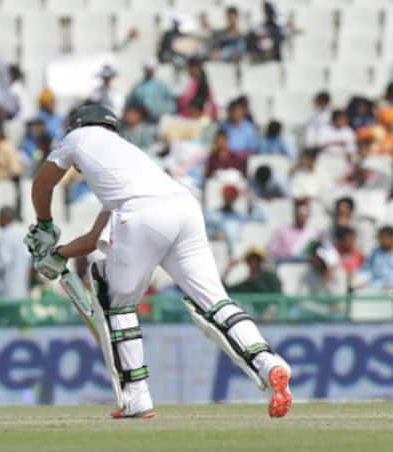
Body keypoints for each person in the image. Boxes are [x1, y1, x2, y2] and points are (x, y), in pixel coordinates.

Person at [25, 104, 292, 418]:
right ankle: (269, 363)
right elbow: (93, 236)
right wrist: (57, 255)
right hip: (183, 209)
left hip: (141, 215)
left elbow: (42, 184)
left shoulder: (78, 137)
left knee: (117, 303)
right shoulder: (129, 163)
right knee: (216, 301)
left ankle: (136, 397)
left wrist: (44, 226)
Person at [0, 206, 32, 326]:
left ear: (5, 218)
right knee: (15, 321)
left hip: (6, 291)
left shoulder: (5, 237)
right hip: (19, 289)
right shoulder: (21, 235)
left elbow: (2, 263)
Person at [204, 184, 266, 256]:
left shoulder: (239, 217)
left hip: (235, 252)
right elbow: (202, 232)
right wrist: (214, 234)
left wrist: (252, 200)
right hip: (215, 249)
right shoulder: (211, 214)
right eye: (227, 195)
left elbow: (261, 218)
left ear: (234, 198)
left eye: (231, 196)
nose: (229, 198)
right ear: (223, 196)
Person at [293, 242, 347, 319]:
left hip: (333, 314)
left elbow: (339, 302)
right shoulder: (306, 274)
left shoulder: (339, 273)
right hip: (312, 313)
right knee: (295, 313)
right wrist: (323, 310)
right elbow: (302, 300)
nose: (316, 261)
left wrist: (328, 280)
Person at [359, 226, 393, 293]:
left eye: (382, 238)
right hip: (378, 291)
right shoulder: (375, 252)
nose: (380, 241)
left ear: (392, 238)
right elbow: (366, 270)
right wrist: (359, 279)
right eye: (379, 238)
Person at [125, 59, 177, 123]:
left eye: (151, 69)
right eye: (148, 69)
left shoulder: (162, 85)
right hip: (142, 122)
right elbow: (129, 104)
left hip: (159, 121)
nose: (149, 71)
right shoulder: (137, 87)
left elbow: (172, 105)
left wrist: (161, 111)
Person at [268, 197, 319, 261]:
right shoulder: (282, 231)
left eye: (304, 211)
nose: (301, 216)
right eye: (299, 211)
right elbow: (272, 253)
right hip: (286, 263)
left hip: (306, 266)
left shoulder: (314, 233)